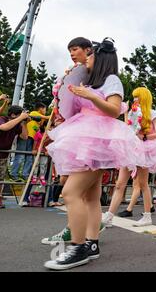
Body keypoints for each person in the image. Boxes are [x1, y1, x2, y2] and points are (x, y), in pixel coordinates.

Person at [44, 38, 141, 270]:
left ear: (100, 58)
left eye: (90, 55)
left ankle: (78, 247)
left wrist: (90, 96)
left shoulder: (111, 80)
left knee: (70, 193)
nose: (86, 58)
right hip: (83, 138)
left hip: (97, 140)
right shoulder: (89, 80)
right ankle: (92, 244)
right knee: (90, 197)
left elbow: (114, 110)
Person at [41, 37, 107, 245]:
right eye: (69, 50)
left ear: (88, 50)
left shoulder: (96, 75)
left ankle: (79, 238)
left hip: (89, 135)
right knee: (87, 193)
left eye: (75, 49)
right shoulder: (76, 72)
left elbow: (106, 106)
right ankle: (87, 233)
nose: (72, 53)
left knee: (72, 189)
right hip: (75, 132)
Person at [103, 87, 156, 227]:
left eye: (137, 96)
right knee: (120, 184)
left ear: (143, 98)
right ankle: (109, 216)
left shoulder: (152, 113)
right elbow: (129, 128)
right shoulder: (133, 112)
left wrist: (143, 136)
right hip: (130, 149)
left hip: (144, 149)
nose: (135, 99)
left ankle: (147, 216)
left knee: (143, 184)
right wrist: (126, 113)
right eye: (134, 97)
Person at [0, 106, 29, 209]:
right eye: (20, 114)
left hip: (3, 155)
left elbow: (24, 137)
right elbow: (4, 127)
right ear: (12, 114)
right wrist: (20, 118)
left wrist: (24, 122)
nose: (22, 117)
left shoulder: (17, 123)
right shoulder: (0, 119)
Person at [10, 102, 49, 182]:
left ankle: (25, 174)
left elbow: (40, 126)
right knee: (20, 155)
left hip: (32, 138)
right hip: (24, 136)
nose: (45, 111)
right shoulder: (34, 113)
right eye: (45, 109)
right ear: (40, 108)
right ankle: (14, 174)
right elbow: (45, 117)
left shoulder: (41, 119)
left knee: (29, 157)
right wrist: (50, 116)